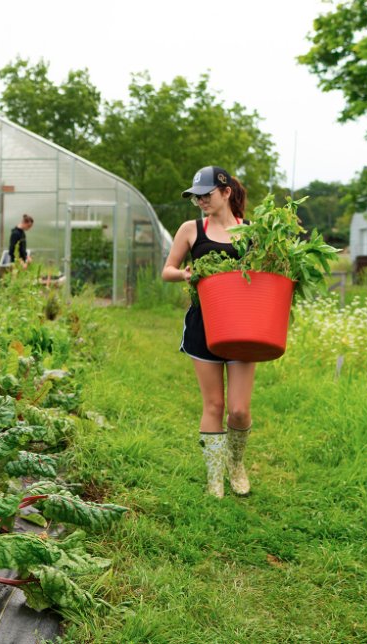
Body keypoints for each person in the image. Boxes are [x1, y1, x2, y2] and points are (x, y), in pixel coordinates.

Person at [162, 166, 254, 499]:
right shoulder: (191, 229)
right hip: (204, 324)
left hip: (244, 327)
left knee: (239, 410)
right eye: (196, 196)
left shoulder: (251, 233)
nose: (200, 201)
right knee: (214, 404)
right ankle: (215, 476)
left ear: (226, 192)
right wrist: (184, 274)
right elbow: (167, 270)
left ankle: (236, 464)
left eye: (206, 194)